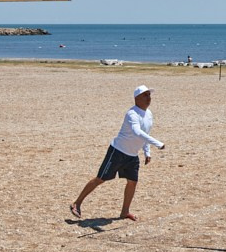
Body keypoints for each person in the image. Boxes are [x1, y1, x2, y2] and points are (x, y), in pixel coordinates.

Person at [70, 85, 166, 221]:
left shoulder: (149, 114)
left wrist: (147, 152)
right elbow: (137, 132)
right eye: (145, 95)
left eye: (149, 95)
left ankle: (124, 212)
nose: (148, 98)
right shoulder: (132, 114)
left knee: (132, 182)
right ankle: (76, 203)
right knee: (100, 179)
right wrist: (158, 144)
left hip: (132, 155)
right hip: (118, 151)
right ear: (137, 98)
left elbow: (145, 133)